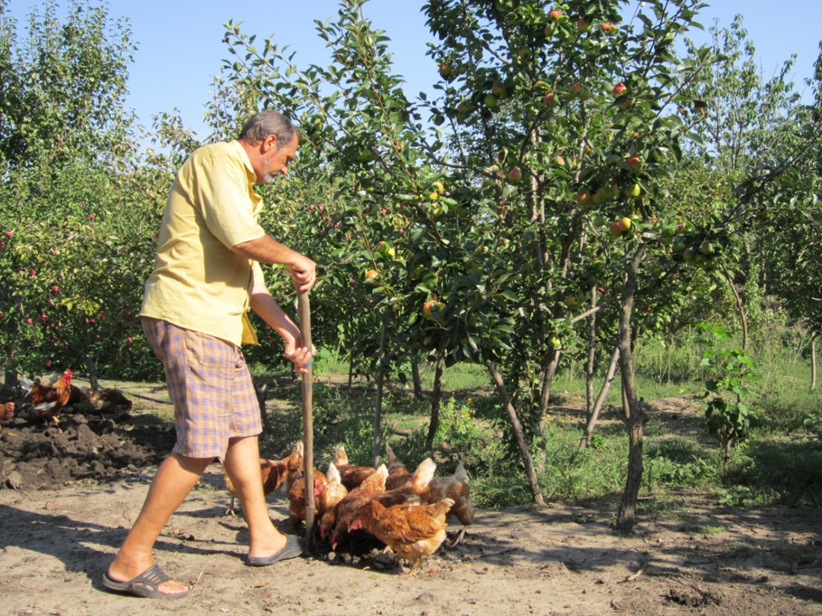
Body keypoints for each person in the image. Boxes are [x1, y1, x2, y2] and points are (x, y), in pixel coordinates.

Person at [103, 110, 316, 599]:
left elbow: (253, 282)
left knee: (243, 425)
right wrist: (294, 257)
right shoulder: (217, 161)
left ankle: (263, 536)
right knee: (201, 443)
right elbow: (242, 240)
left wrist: (287, 332)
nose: (286, 169)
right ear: (267, 142)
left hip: (217, 326)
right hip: (189, 317)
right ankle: (129, 560)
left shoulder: (241, 193)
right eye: (287, 157)